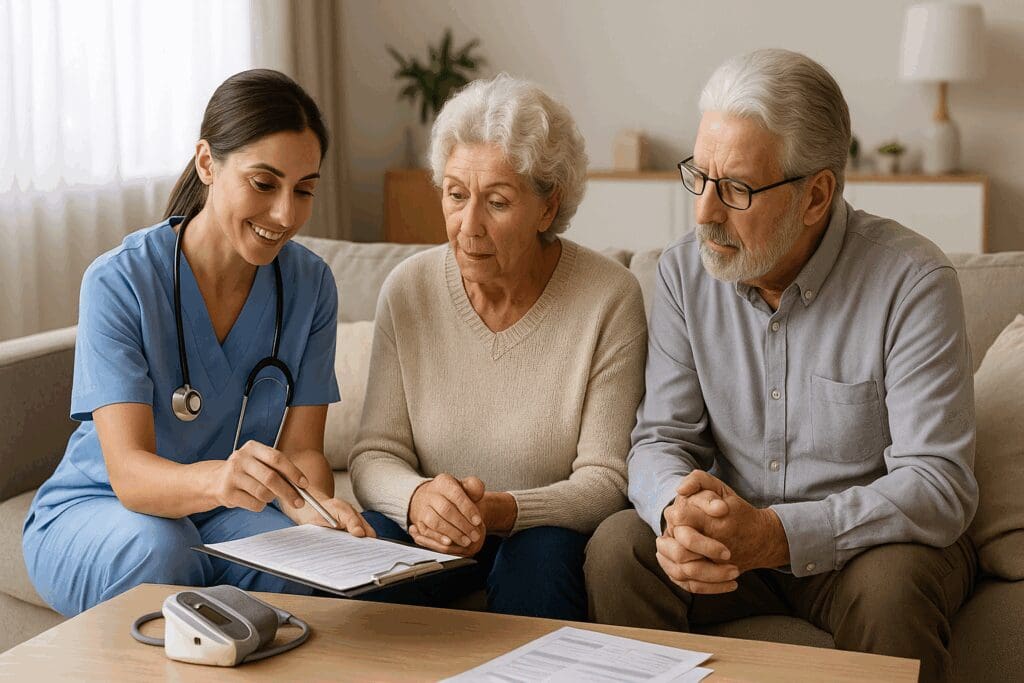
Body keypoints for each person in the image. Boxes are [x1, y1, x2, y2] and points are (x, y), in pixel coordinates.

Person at [585, 50, 977, 682]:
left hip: (869, 544)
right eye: (699, 177)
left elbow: (937, 484)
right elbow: (661, 438)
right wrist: (674, 511)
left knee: (891, 590)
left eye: (736, 188)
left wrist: (776, 533)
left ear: (815, 195)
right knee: (616, 551)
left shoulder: (913, 281)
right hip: (731, 541)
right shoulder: (684, 272)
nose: (705, 212)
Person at [23, 69, 374, 617]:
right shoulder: (120, 282)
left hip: (221, 510)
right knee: (163, 555)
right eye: (264, 183)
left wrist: (311, 508)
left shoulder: (311, 286)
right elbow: (131, 474)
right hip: (103, 505)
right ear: (208, 163)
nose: (285, 215)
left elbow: (304, 448)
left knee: (305, 570)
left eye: (303, 190)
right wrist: (223, 478)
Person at [349, 74, 647, 621]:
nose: (469, 226)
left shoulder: (609, 297)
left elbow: (607, 481)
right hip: (429, 529)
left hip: (541, 533)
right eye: (456, 195)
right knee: (357, 564)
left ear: (547, 207)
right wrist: (420, 500)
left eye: (498, 202)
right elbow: (373, 454)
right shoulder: (408, 289)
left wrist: (499, 511)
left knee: (536, 562)